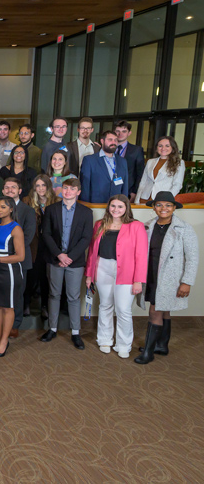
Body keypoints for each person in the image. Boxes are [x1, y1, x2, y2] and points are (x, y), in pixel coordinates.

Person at [135, 192, 199, 364]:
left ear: (174, 208)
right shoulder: (147, 226)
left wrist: (186, 282)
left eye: (168, 205)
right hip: (151, 274)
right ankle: (162, 345)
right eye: (159, 205)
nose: (164, 208)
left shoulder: (184, 229)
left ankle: (148, 353)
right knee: (164, 309)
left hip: (170, 278)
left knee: (155, 311)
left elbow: (192, 257)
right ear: (154, 207)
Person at [85, 195, 148, 359]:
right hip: (103, 268)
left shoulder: (136, 226)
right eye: (113, 206)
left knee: (123, 310)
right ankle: (104, 339)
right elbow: (92, 251)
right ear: (108, 207)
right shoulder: (100, 224)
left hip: (127, 271)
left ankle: (123, 344)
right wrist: (89, 275)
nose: (116, 209)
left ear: (127, 208)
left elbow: (141, 256)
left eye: (120, 206)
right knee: (105, 305)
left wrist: (138, 280)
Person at [40, 178, 94, 349]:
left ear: (78, 192)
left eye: (72, 189)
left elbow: (86, 238)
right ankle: (52, 328)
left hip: (75, 261)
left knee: (73, 296)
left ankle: (75, 332)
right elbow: (46, 234)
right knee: (54, 294)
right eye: (65, 188)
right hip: (55, 259)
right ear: (61, 190)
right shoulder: (51, 209)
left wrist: (69, 256)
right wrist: (59, 255)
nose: (68, 191)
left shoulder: (86, 212)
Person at [0, 178, 36, 337]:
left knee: (16, 297)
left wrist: (6, 253)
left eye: (14, 187)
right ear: (3, 191)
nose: (10, 190)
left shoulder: (28, 210)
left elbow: (27, 237)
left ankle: (14, 325)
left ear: (20, 190)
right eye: (7, 187)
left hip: (16, 261)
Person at [0, 197, 26, 357]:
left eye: (3, 207)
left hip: (8, 272)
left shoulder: (16, 229)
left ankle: (4, 341)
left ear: (11, 209)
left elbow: (20, 256)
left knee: (8, 307)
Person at [23, 174, 58, 317]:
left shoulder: (56, 201)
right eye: (38, 185)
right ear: (34, 187)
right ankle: (26, 304)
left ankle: (45, 306)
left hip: (50, 245)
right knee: (31, 276)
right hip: (33, 244)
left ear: (48, 187)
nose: (41, 188)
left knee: (46, 278)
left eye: (43, 185)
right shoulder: (27, 201)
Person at [80, 130, 129, 203]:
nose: (113, 142)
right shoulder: (89, 160)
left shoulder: (122, 161)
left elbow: (125, 187)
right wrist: (85, 205)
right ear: (102, 141)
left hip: (116, 206)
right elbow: (85, 187)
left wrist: (124, 204)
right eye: (110, 140)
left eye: (115, 140)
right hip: (95, 205)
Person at [136, 136, 185, 203]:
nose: (163, 148)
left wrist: (167, 199)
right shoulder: (150, 162)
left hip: (162, 199)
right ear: (156, 148)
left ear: (173, 148)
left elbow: (177, 185)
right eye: (160, 146)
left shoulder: (179, 163)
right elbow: (143, 182)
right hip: (144, 198)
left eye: (167, 146)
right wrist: (137, 200)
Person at [113, 120, 146, 201]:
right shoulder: (106, 148)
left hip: (127, 191)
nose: (120, 134)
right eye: (117, 131)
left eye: (124, 131)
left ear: (129, 133)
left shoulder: (137, 150)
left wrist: (134, 192)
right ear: (114, 132)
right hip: (107, 189)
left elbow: (140, 173)